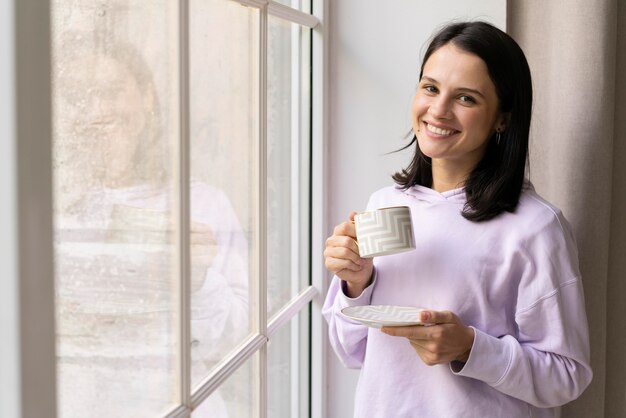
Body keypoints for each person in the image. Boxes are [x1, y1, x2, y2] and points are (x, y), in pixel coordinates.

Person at [322, 21, 592, 418]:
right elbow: (352, 351)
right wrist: (356, 284)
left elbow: (567, 376)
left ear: (502, 118)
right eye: (430, 88)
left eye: (466, 98)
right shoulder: (385, 205)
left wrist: (470, 347)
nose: (438, 110)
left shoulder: (536, 227)